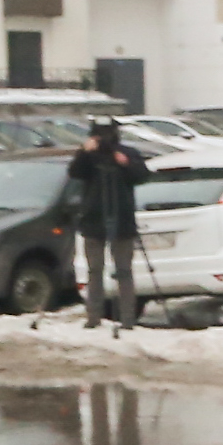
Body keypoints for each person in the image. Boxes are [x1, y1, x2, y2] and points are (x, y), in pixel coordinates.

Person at [64, 119, 153, 333]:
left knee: (123, 270)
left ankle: (127, 319)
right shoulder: (88, 157)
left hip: (122, 220)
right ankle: (93, 316)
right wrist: (84, 153)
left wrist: (125, 163)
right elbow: (74, 172)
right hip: (93, 220)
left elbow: (143, 175)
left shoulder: (127, 153)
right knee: (94, 270)